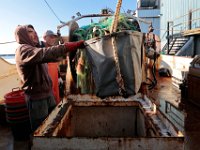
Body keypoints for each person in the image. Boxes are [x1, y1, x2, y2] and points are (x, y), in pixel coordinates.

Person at [15, 24, 85, 132]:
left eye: (34, 31)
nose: (34, 33)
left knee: (53, 123)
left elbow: (52, 58)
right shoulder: (23, 50)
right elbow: (45, 53)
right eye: (29, 31)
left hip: (48, 94)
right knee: (41, 130)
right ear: (22, 35)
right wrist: (68, 46)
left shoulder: (35, 48)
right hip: (37, 99)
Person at [43, 30, 60, 104]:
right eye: (51, 37)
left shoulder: (54, 49)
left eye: (54, 37)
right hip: (46, 80)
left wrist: (59, 77)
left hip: (55, 78)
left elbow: (56, 66)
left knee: (56, 94)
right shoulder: (41, 49)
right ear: (44, 38)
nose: (53, 39)